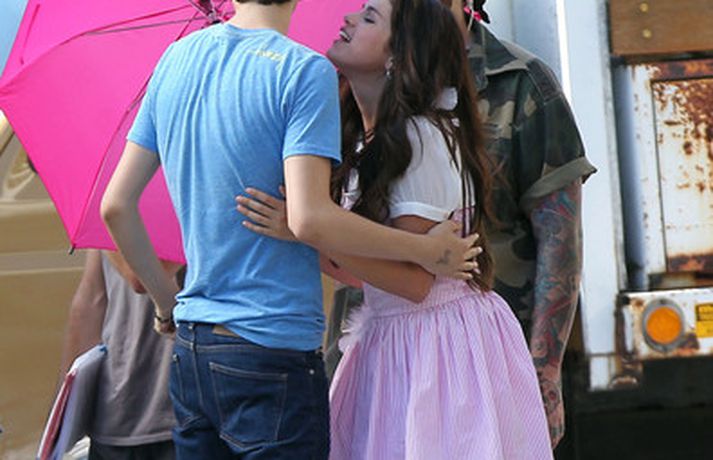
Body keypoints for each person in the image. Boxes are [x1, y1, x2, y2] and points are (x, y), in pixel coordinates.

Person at [100, 0, 480, 457]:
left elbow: (116, 206)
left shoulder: (174, 59)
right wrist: (423, 250)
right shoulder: (302, 70)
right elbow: (307, 218)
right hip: (272, 346)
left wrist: (167, 305)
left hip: (192, 346)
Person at [237, 0, 552, 458]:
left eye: (369, 17)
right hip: (399, 336)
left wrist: (308, 229)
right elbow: (365, 273)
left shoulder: (419, 138)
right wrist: (305, 232)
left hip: (437, 346)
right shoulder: (369, 141)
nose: (348, 18)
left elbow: (414, 283)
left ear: (397, 56)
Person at [318, 0, 597, 448]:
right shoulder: (349, 105)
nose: (352, 18)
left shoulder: (515, 83)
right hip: (382, 337)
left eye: (370, 15)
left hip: (454, 351)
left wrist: (544, 371)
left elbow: (559, 236)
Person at [58, 250, 181, 460]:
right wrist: (61, 415)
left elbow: (94, 300)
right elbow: (91, 300)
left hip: (175, 410)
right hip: (122, 408)